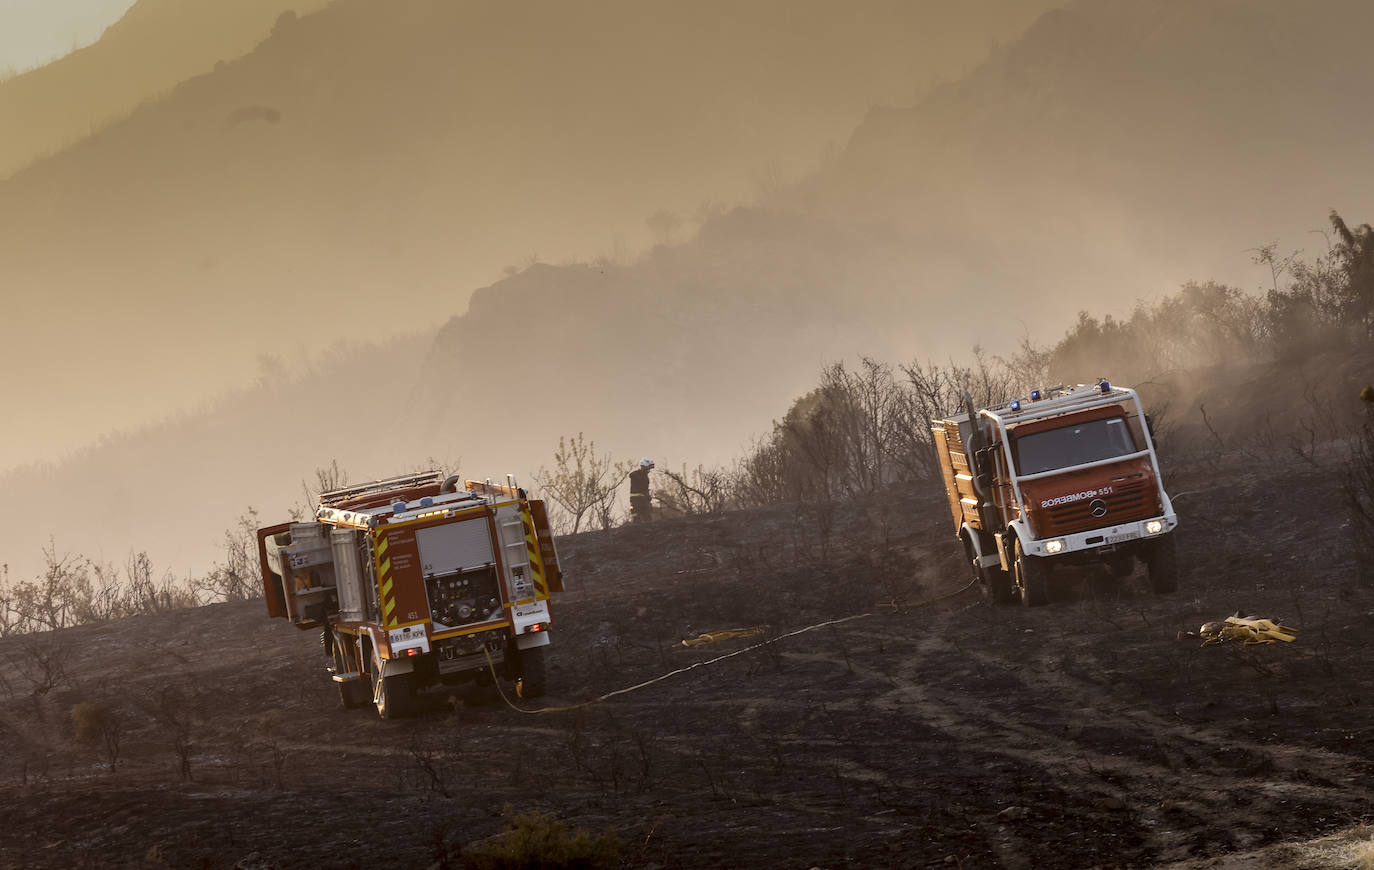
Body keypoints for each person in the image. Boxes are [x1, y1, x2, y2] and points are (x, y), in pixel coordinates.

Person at [629, 457, 653, 522]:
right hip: (636, 500)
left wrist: (648, 496)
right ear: (644, 466)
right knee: (637, 517)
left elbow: (645, 489)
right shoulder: (636, 475)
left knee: (647, 517)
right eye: (648, 468)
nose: (649, 470)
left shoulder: (645, 477)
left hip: (643, 499)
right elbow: (641, 487)